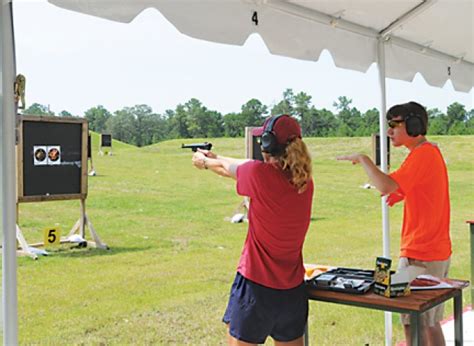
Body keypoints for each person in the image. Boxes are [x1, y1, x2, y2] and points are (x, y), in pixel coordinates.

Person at [192, 114, 314, 346]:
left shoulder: (259, 174)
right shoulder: (305, 183)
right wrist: (215, 157)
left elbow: (230, 169)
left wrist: (205, 162)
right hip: (292, 292)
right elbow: (239, 165)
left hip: (256, 288)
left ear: (267, 144)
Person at [337, 101, 451, 346]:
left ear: (413, 125)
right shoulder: (426, 153)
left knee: (415, 323)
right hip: (430, 252)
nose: (389, 131)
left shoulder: (423, 154)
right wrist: (398, 192)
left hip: (422, 254)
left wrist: (364, 160)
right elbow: (402, 187)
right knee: (428, 323)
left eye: (394, 125)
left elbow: (386, 185)